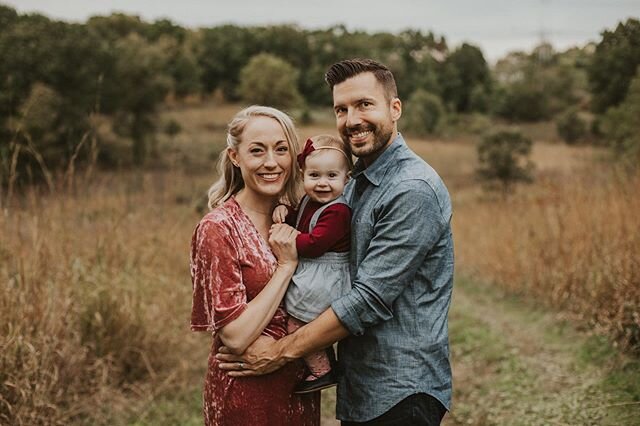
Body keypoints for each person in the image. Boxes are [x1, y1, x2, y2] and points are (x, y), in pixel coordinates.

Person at [217, 58, 454, 425]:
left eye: (364, 105)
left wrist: (278, 353)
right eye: (341, 109)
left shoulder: (411, 189)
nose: (351, 119)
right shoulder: (358, 179)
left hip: (400, 392)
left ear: (395, 108)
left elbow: (368, 300)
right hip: (364, 388)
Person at [190, 105, 320, 425]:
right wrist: (286, 266)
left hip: (300, 396)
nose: (271, 163)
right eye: (257, 151)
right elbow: (234, 336)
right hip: (246, 398)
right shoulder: (219, 228)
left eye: (281, 149)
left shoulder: (300, 217)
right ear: (235, 156)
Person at [272, 134, 353, 394]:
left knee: (297, 321)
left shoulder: (338, 211)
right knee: (303, 316)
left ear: (346, 179)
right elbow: (301, 219)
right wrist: (285, 212)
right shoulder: (310, 199)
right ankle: (323, 356)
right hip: (315, 273)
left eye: (332, 176)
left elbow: (316, 244)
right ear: (303, 175)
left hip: (326, 276)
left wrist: (289, 240)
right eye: (314, 175)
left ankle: (323, 371)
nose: (322, 184)